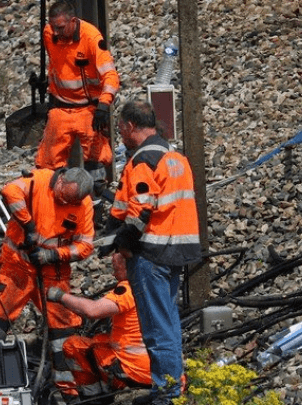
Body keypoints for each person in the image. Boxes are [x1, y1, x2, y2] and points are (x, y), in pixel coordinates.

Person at [105, 100, 202, 405]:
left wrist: (122, 245)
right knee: (168, 325)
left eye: (120, 129)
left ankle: (168, 394)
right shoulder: (175, 157)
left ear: (130, 126)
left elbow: (140, 209)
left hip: (152, 254)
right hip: (175, 251)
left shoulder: (143, 159)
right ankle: (171, 387)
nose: (119, 136)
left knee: (157, 330)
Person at [0, 167, 95, 392]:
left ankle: (68, 388)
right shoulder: (38, 181)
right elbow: (10, 190)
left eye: (72, 200)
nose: (66, 203)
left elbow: (85, 246)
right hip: (19, 267)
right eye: (64, 197)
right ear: (60, 180)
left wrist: (53, 255)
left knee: (64, 331)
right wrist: (28, 224)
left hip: (54, 272)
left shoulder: (84, 205)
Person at [46, 251, 151, 404]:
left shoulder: (128, 289)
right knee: (99, 339)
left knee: (74, 346)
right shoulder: (153, 284)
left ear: (129, 267)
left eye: (116, 269)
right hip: (156, 367)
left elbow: (92, 310)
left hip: (135, 371)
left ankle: (93, 398)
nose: (114, 275)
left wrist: (60, 296)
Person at [34, 1, 120, 187]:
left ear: (73, 21)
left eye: (60, 27)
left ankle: (94, 206)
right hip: (61, 108)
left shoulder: (91, 38)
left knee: (96, 160)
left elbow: (110, 75)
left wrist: (104, 104)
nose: (56, 32)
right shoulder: (49, 34)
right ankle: (53, 201)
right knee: (48, 163)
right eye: (53, 27)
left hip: (88, 109)